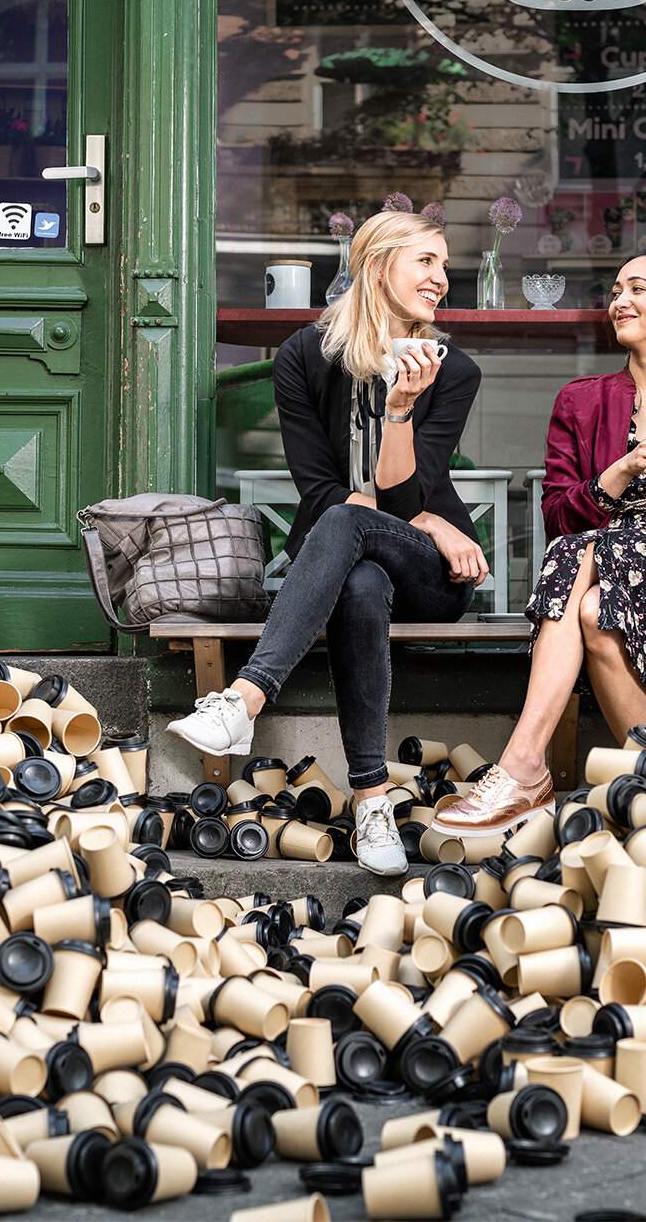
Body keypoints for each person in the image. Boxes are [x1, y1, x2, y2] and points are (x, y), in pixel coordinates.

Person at [167, 210, 487, 874]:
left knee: (351, 526)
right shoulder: (304, 357)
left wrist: (400, 412)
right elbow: (316, 487)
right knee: (358, 570)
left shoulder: (453, 372)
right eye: (426, 261)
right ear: (375, 267)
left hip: (431, 573)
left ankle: (246, 697)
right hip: (355, 566)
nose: (441, 279)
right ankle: (372, 801)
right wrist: (408, 515)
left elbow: (404, 501)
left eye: (445, 265)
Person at [435, 245, 646, 835]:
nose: (620, 301)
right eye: (616, 290)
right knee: (591, 606)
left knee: (577, 557)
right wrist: (618, 473)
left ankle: (523, 766)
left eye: (637, 289)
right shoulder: (581, 400)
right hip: (612, 571)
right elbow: (557, 517)